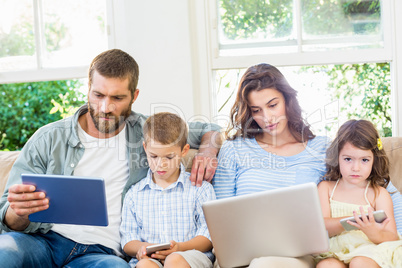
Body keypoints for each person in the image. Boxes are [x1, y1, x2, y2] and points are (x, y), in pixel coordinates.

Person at [0, 49, 221, 268]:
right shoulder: (48, 138)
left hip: (101, 253)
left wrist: (208, 152)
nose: (106, 107)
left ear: (134, 96)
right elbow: (7, 217)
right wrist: (19, 212)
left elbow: (210, 130)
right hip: (42, 241)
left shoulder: (146, 130)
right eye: (98, 95)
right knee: (5, 253)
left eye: (117, 98)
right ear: (88, 89)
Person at [212, 63, 402, 268]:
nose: (267, 118)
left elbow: (378, 185)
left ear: (287, 100)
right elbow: (220, 218)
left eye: (272, 105)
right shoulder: (233, 150)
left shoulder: (321, 148)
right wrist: (208, 146)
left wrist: (391, 241)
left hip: (298, 255)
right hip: (244, 253)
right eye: (256, 110)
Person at [120, 112, 215, 268]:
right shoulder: (134, 194)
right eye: (154, 156)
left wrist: (178, 248)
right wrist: (144, 249)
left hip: (189, 255)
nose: (161, 164)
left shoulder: (201, 189)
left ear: (184, 150)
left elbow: (208, 236)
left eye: (169, 157)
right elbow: (128, 240)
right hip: (150, 258)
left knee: (174, 260)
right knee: (144, 265)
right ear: (145, 148)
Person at [315, 120, 402, 267]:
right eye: (348, 159)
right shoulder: (326, 188)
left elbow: (392, 236)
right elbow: (320, 226)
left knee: (359, 262)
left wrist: (374, 232)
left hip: (370, 250)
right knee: (326, 266)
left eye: (364, 160)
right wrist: (353, 221)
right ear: (337, 158)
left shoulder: (379, 194)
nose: (356, 168)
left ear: (374, 160)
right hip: (335, 251)